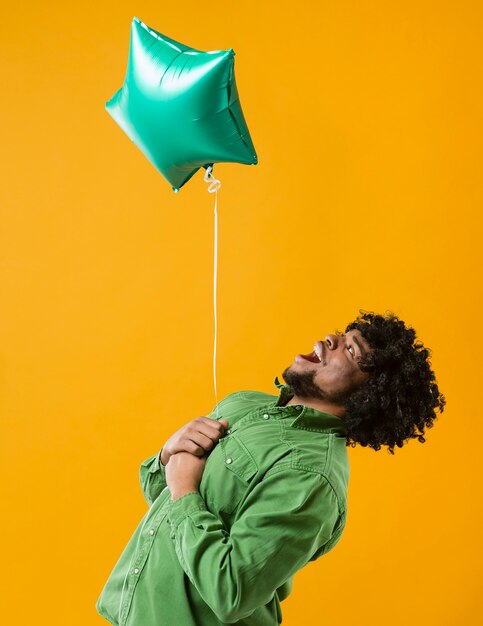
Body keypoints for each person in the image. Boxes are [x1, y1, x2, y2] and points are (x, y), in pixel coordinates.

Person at [96, 310, 445, 626]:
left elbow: (230, 592)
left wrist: (186, 489)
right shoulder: (244, 402)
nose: (331, 340)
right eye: (342, 333)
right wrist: (168, 453)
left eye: (350, 351)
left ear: (367, 397)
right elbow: (160, 497)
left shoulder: (313, 477)